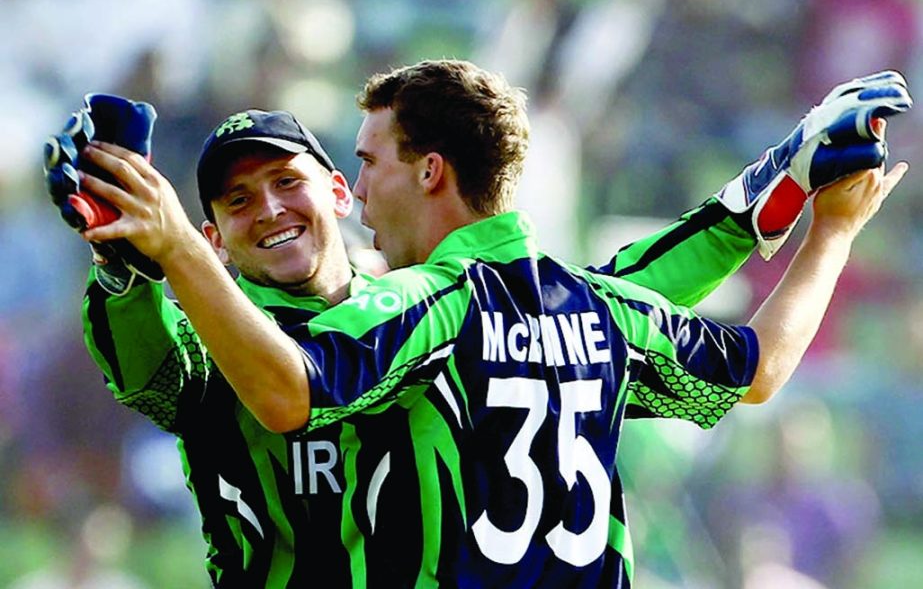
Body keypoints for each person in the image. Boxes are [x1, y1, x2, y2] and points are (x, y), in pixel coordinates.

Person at [52, 61, 909, 586]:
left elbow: (287, 391)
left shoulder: (420, 308)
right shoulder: (577, 304)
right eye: (235, 200)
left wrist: (169, 247)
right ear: (215, 235)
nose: (267, 209)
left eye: (296, 179)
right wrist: (794, 200)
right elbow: (716, 342)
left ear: (345, 194)